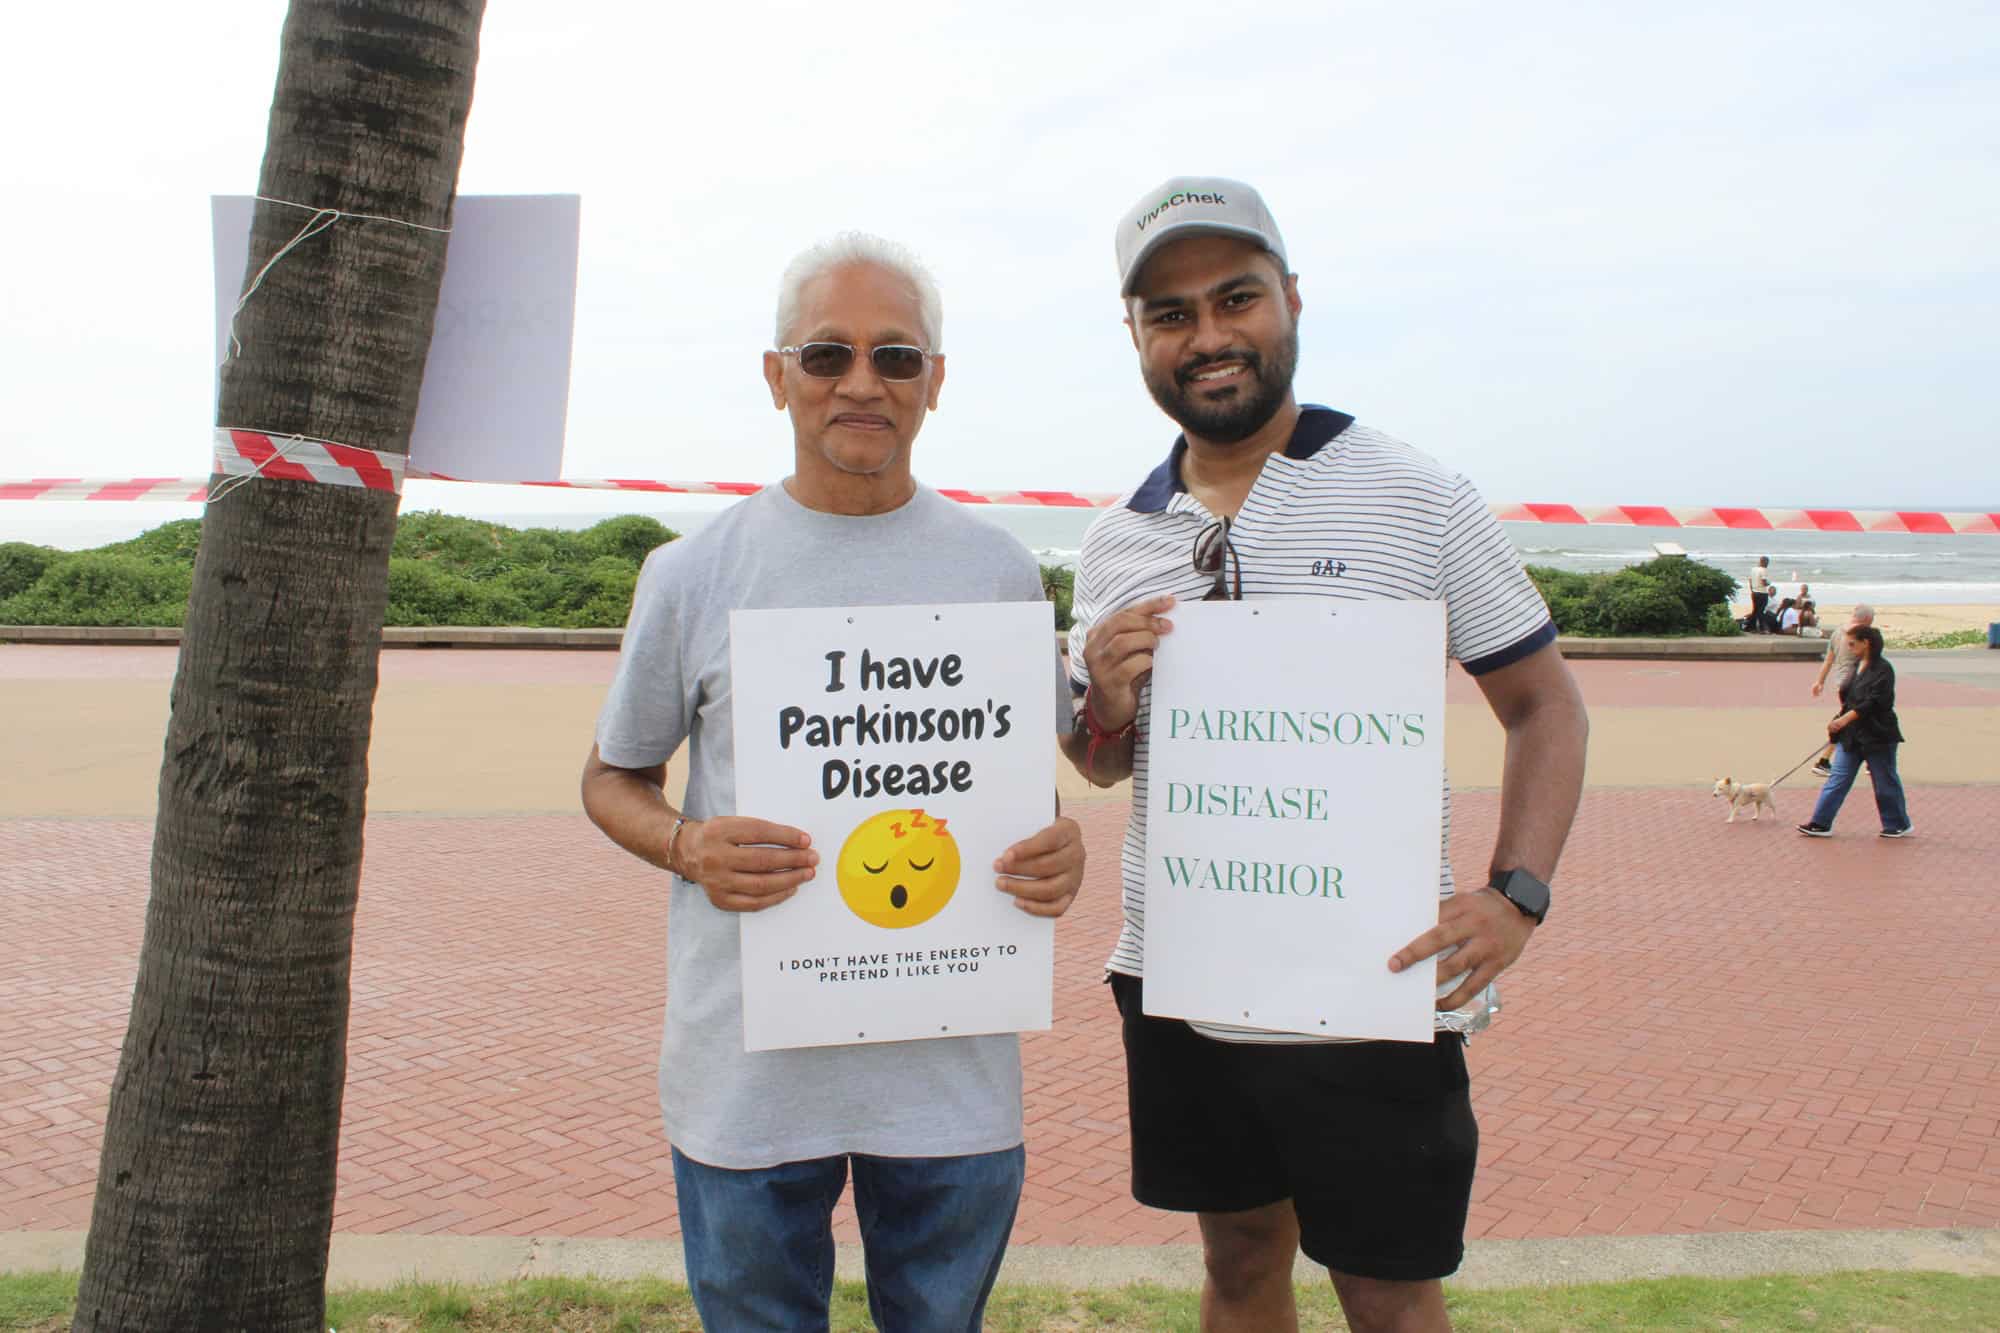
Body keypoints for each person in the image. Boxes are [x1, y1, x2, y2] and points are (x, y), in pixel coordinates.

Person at [1063, 177, 1590, 1333]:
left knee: (1388, 1290)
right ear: (1135, 335)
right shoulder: (1113, 538)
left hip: (1373, 978)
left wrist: (1514, 896)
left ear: (1290, 299)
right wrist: (1101, 696)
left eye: (1235, 298)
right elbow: (1099, 761)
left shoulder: (1415, 493)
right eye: (1169, 313)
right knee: (1237, 1260)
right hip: (1178, 973)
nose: (1207, 334)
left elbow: (1544, 706)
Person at [580, 233, 1085, 1332]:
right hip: (748, 1080)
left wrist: (1056, 849)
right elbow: (613, 777)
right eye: (827, 354)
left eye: (896, 356)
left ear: (934, 381)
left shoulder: (999, 570)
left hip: (951, 1082)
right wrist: (686, 845)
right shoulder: (692, 572)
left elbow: (1009, 788)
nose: (863, 381)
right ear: (778, 376)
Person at [1797, 622, 1910, 838]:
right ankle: (1820, 822)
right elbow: (1848, 700)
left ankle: (1897, 823)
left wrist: (1846, 719)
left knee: (1884, 781)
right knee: (1838, 778)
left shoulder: (1883, 669)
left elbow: (1875, 702)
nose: (1848, 648)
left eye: (1851, 644)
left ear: (1865, 643)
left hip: (1878, 735)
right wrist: (1837, 722)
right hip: (1852, 735)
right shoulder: (1855, 666)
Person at [1809, 604, 1874, 776]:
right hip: (1856, 682)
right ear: (1867, 620)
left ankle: (1870, 760)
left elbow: (1829, 660)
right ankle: (1824, 760)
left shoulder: (1838, 632)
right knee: (1851, 719)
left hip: (1841, 682)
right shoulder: (1862, 635)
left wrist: (1820, 681)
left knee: (1857, 719)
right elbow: (1868, 661)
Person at [1747, 556, 1773, 632]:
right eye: (1767, 562)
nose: (1767, 564)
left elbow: (1750, 580)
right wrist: (1769, 583)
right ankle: (1762, 628)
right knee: (1760, 611)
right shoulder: (1764, 570)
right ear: (1764, 562)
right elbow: (1764, 582)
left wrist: (1752, 590)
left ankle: (1751, 627)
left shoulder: (1753, 569)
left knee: (1755, 610)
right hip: (1762, 593)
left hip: (1755, 592)